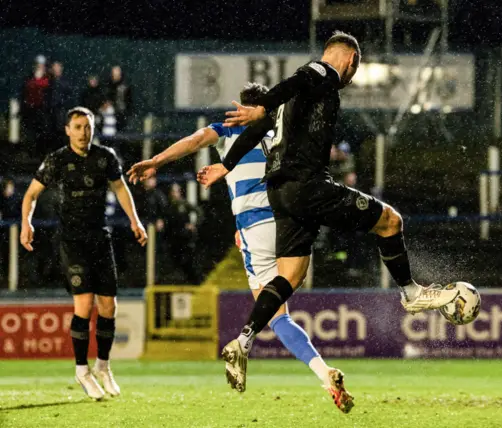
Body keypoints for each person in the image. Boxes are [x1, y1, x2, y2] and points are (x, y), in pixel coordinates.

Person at [197, 31, 460, 404]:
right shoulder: (321, 74)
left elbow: (259, 127)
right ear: (350, 61)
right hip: (309, 186)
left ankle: (243, 340)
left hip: (281, 191)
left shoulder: (296, 97)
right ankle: (412, 293)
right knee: (390, 221)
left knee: (290, 276)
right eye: (355, 67)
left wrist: (226, 164)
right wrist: (262, 105)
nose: (352, 75)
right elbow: (293, 83)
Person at [127, 83, 353, 413]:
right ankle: (324, 374)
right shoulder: (282, 132)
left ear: (240, 108)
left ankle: (245, 342)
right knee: (285, 293)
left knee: (275, 316)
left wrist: (156, 161)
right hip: (290, 221)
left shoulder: (227, 131)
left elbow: (194, 141)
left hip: (256, 227)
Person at [20, 107, 147, 401]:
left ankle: (103, 366)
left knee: (109, 307)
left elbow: (121, 188)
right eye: (77, 127)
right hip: (71, 241)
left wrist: (135, 221)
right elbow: (30, 194)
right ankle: (82, 370)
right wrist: (26, 221)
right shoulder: (57, 160)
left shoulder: (105, 157)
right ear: (68, 130)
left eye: (87, 127)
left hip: (100, 238)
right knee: (84, 303)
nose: (83, 132)